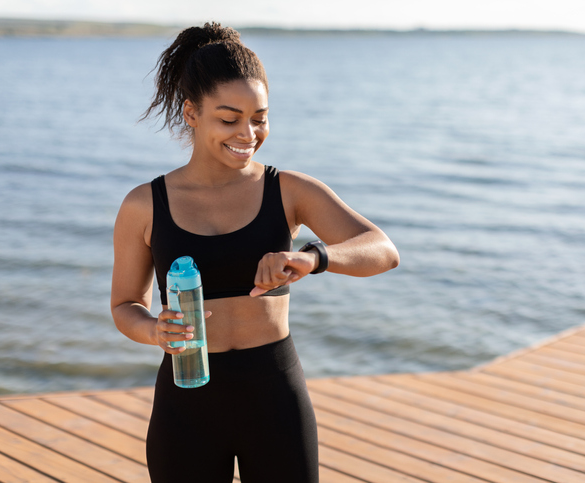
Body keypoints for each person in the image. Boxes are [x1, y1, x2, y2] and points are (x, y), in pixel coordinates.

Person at [110, 22, 399, 483]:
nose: (248, 133)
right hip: (186, 402)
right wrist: (153, 331)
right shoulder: (145, 204)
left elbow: (382, 250)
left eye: (260, 117)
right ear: (191, 112)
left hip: (274, 397)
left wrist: (312, 258)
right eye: (229, 118)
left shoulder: (288, 190)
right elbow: (126, 305)